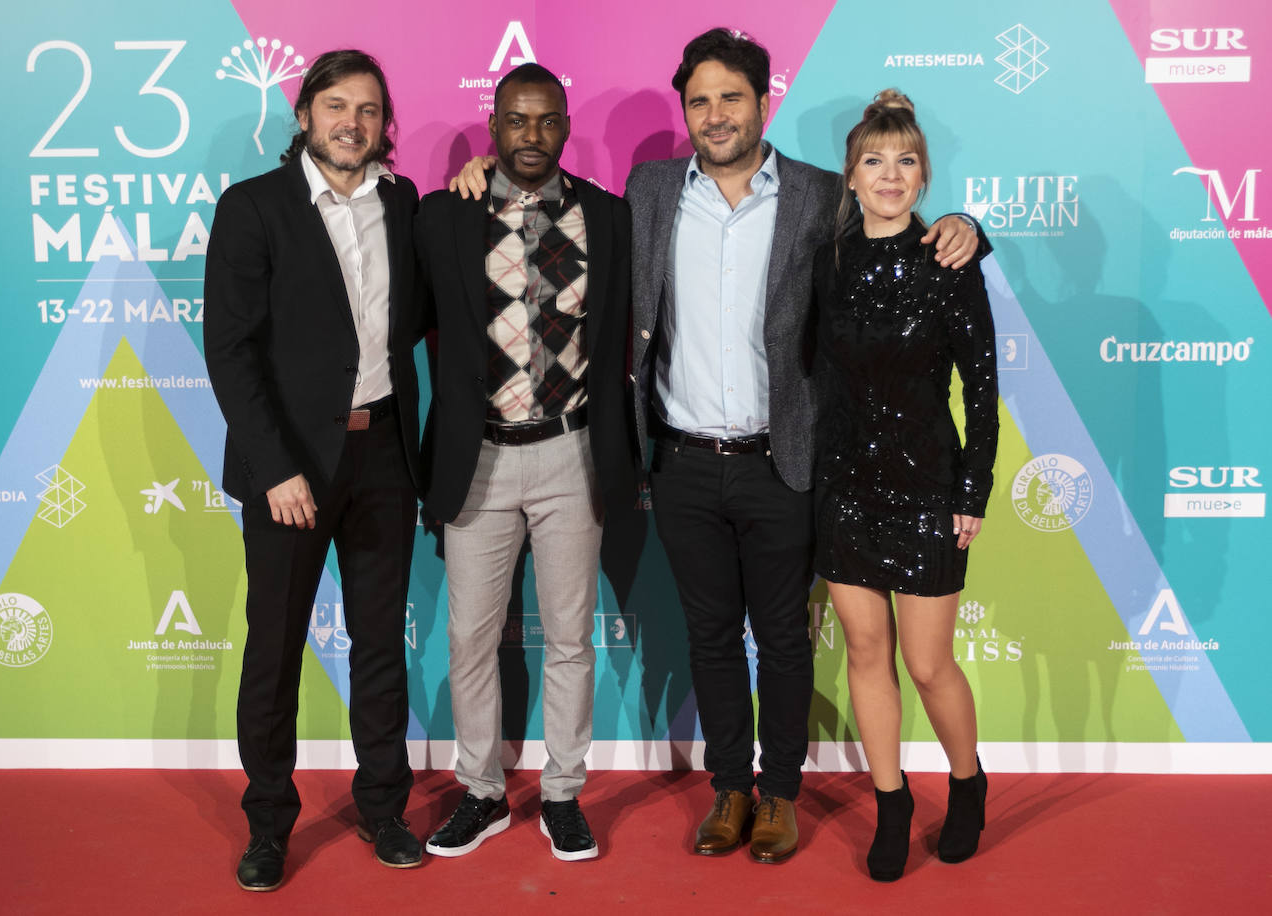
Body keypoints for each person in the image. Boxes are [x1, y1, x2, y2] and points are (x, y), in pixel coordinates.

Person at [449, 28, 981, 864]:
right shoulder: (648, 190)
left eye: (731, 97)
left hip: (784, 458)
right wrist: (476, 177)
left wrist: (964, 226)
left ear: (763, 102)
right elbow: (550, 214)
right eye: (698, 101)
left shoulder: (816, 194)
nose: (715, 114)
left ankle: (779, 796)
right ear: (685, 111)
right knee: (707, 634)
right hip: (683, 460)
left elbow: (894, 222)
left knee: (782, 636)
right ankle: (729, 788)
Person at [203, 49, 425, 891]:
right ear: (304, 115)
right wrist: (274, 469)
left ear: (382, 126)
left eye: (368, 110)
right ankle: (267, 824)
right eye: (336, 106)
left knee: (379, 648)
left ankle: (383, 808)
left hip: (383, 459)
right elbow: (229, 350)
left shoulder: (401, 203)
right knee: (276, 652)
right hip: (289, 466)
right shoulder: (254, 207)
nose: (352, 124)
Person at [416, 63, 634, 862]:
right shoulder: (445, 216)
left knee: (570, 639)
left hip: (573, 454)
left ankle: (564, 795)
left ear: (566, 125)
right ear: (493, 125)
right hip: (477, 460)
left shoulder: (610, 218)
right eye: (516, 120)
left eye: (546, 121)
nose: (531, 136)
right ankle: (480, 793)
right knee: (470, 640)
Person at [810, 89, 997, 881]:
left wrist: (972, 493)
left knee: (928, 665)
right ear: (849, 178)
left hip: (927, 489)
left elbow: (981, 389)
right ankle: (892, 802)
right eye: (874, 161)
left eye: (906, 161)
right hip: (844, 487)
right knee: (864, 650)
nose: (891, 174)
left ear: (924, 178)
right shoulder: (827, 260)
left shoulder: (949, 260)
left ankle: (967, 783)